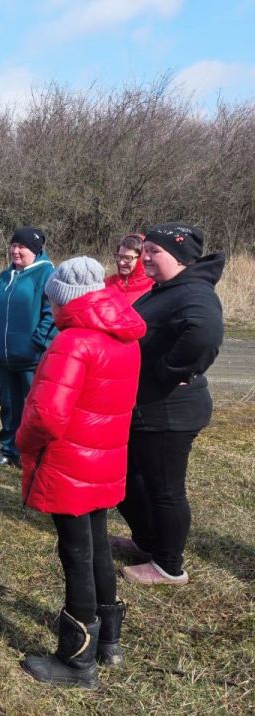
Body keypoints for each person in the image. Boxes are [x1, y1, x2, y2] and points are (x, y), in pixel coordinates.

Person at [16, 257, 146, 689]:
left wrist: (22, 440)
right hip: (104, 459)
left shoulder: (73, 342)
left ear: (66, 300)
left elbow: (47, 415)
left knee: (76, 554)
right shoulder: (124, 336)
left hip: (69, 462)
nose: (51, 309)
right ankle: (109, 641)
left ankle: (77, 661)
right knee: (97, 546)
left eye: (53, 302)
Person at [115, 223, 224, 586]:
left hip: (170, 410)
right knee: (128, 478)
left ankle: (168, 566)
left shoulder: (193, 291)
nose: (145, 257)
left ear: (179, 257)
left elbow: (204, 334)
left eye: (154, 251)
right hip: (148, 405)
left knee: (165, 489)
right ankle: (148, 542)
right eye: (144, 250)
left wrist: (169, 371)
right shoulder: (169, 288)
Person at [0, 227, 56, 468]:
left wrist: (37, 344)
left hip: (32, 360)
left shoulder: (47, 275)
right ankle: (9, 451)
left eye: (21, 247)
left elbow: (52, 314)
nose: (15, 251)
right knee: (9, 406)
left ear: (34, 250)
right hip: (3, 359)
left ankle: (34, 455)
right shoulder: (4, 276)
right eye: (13, 245)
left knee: (35, 410)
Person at [105, 233, 152, 304]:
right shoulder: (107, 283)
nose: (121, 262)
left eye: (127, 258)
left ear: (141, 259)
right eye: (119, 256)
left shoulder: (152, 288)